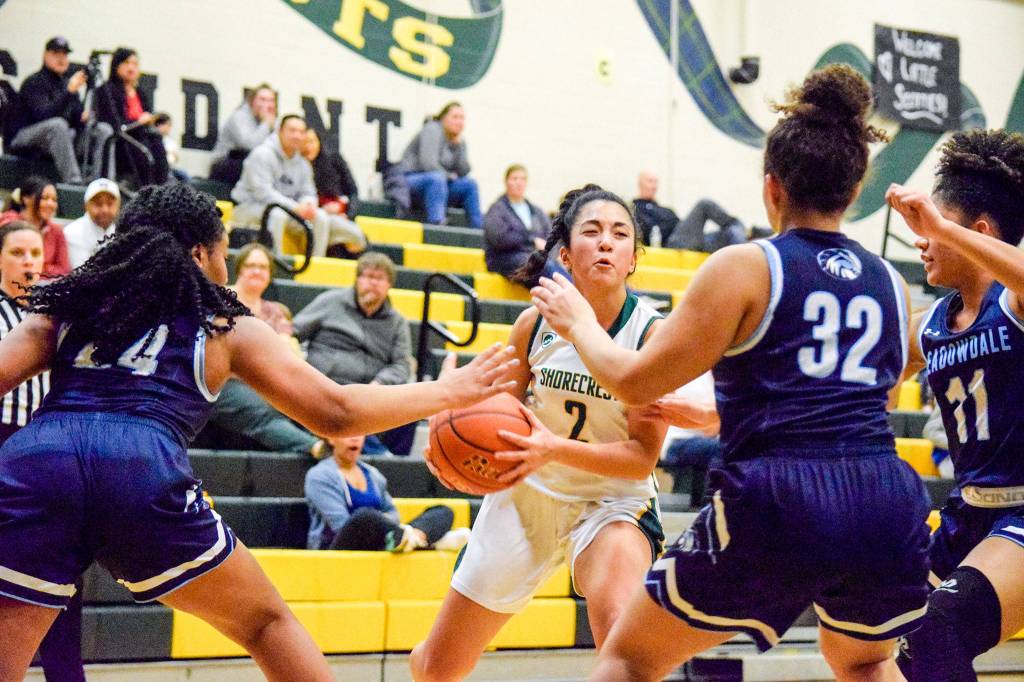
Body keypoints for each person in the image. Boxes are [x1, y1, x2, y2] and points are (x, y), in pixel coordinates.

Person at [0, 183, 518, 682]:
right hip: (141, 465)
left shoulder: (68, 309)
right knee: (265, 624)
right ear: (201, 255)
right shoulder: (224, 325)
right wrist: (449, 390)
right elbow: (336, 412)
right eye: (225, 254)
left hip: (39, 462)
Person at [531, 65, 931, 681]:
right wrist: (724, 414)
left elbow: (633, 381)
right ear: (855, 191)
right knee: (865, 663)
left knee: (630, 658)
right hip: (883, 495)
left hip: (782, 495)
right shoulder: (892, 282)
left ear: (772, 187)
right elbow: (877, 381)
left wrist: (579, 321)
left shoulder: (746, 266)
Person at [410, 185, 669, 681]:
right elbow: (495, 414)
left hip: (612, 500)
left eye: (620, 234)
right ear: (568, 256)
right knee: (437, 669)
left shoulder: (651, 335)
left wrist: (552, 447)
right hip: (529, 492)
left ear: (634, 259)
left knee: (620, 636)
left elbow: (641, 458)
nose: (607, 243)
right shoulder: (533, 325)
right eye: (592, 232)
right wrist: (448, 432)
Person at [884, 128, 1024, 681]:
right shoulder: (933, 326)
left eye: (931, 228)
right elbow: (873, 380)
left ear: (979, 232)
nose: (921, 240)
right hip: (971, 513)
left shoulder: (1013, 304)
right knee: (880, 619)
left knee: (939, 628)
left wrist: (942, 227)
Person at [0, 220, 83, 681]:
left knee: (61, 578)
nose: (28, 262)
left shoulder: (59, 315)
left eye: (35, 253)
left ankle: (66, 674)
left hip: (46, 450)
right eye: (17, 253)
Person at [208, 242, 325, 457]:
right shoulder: (216, 299)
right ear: (240, 269)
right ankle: (316, 448)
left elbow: (286, 351)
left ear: (270, 274)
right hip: (225, 382)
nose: (257, 271)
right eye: (251, 265)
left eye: (263, 267)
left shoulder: (276, 312)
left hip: (264, 380)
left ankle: (348, 445)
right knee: (264, 407)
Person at [292, 252, 415, 455]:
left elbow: (402, 364)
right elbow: (292, 331)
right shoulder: (330, 302)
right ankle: (381, 458)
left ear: (389, 285)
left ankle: (393, 464)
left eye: (380, 278)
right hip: (328, 387)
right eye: (367, 276)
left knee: (411, 411)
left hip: (372, 394)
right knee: (344, 411)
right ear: (357, 279)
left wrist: (379, 384)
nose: (373, 283)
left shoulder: (397, 322)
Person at [305, 433, 469, 552]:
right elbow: (341, 525)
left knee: (443, 512)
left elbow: (393, 513)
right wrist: (381, 524)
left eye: (359, 433)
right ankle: (423, 542)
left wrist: (386, 526)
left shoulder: (373, 474)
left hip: (384, 536)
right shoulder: (319, 476)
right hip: (338, 545)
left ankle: (408, 539)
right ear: (331, 438)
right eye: (348, 434)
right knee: (364, 516)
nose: (355, 438)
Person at [231, 115, 367, 258]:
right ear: (280, 131)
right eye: (292, 130)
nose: (297, 135)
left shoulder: (302, 163)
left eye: (301, 132)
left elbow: (309, 192)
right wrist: (295, 207)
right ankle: (277, 264)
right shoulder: (262, 154)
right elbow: (262, 192)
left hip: (287, 210)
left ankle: (315, 266)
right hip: (249, 207)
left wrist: (308, 205)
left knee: (320, 216)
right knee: (277, 215)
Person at [5, 37, 107, 184]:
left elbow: (75, 122)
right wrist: (69, 92)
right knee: (57, 125)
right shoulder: (34, 81)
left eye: (65, 55)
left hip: (56, 138)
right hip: (22, 137)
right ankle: (74, 182)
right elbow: (43, 116)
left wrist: (84, 117)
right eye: (56, 54)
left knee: (102, 130)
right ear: (45, 55)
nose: (61, 58)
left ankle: (99, 183)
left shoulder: (67, 84)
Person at [398, 102, 481, 228]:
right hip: (410, 181)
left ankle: (478, 230)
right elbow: (428, 164)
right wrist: (448, 175)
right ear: (443, 118)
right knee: (436, 178)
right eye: (455, 117)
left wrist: (457, 146)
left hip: (440, 186)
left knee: (470, 184)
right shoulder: (432, 129)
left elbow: (464, 171)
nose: (459, 122)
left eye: (462, 118)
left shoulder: (458, 141)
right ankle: (437, 224)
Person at [95, 47, 169, 186]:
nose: (131, 67)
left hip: (142, 136)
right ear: (117, 65)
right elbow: (112, 122)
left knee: (157, 142)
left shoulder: (140, 93)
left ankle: (162, 186)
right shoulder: (107, 90)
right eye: (127, 62)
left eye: (135, 64)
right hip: (122, 141)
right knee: (144, 148)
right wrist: (138, 122)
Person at [483, 164, 565, 288]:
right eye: (515, 178)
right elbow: (500, 238)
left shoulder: (537, 211)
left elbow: (550, 236)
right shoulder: (497, 209)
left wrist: (553, 256)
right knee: (547, 268)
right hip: (506, 259)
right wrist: (531, 241)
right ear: (506, 182)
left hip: (535, 259)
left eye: (523, 179)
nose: (519, 183)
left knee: (557, 268)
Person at [632, 170, 747, 251]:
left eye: (656, 182)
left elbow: (681, 225)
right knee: (704, 204)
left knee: (729, 233)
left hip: (688, 240)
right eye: (650, 181)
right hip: (672, 244)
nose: (654, 186)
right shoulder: (637, 209)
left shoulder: (664, 209)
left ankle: (748, 234)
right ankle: (738, 225)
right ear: (640, 183)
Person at [0, 175, 70, 276]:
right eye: (44, 198)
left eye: (54, 200)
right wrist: (46, 267)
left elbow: (63, 270)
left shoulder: (56, 231)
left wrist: (38, 268)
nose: (50, 204)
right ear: (26, 198)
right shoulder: (9, 223)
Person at [209, 84, 277, 186]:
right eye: (262, 100)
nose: (267, 105)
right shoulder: (239, 117)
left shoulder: (273, 121)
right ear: (252, 101)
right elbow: (248, 145)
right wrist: (266, 124)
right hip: (226, 164)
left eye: (271, 100)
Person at [303, 127, 359, 219]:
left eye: (311, 141)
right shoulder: (295, 166)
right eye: (304, 142)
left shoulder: (333, 159)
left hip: (340, 215)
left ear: (319, 142)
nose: (308, 146)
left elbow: (353, 191)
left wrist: (348, 215)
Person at [64, 177, 119, 269]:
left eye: (110, 204)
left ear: (118, 205)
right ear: (86, 205)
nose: (105, 210)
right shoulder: (70, 234)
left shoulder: (123, 234)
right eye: (98, 204)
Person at [153, 112, 189, 183]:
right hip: (158, 168)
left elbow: (175, 159)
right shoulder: (153, 140)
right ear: (160, 125)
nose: (170, 128)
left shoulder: (170, 141)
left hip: (169, 168)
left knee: (183, 175)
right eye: (168, 125)